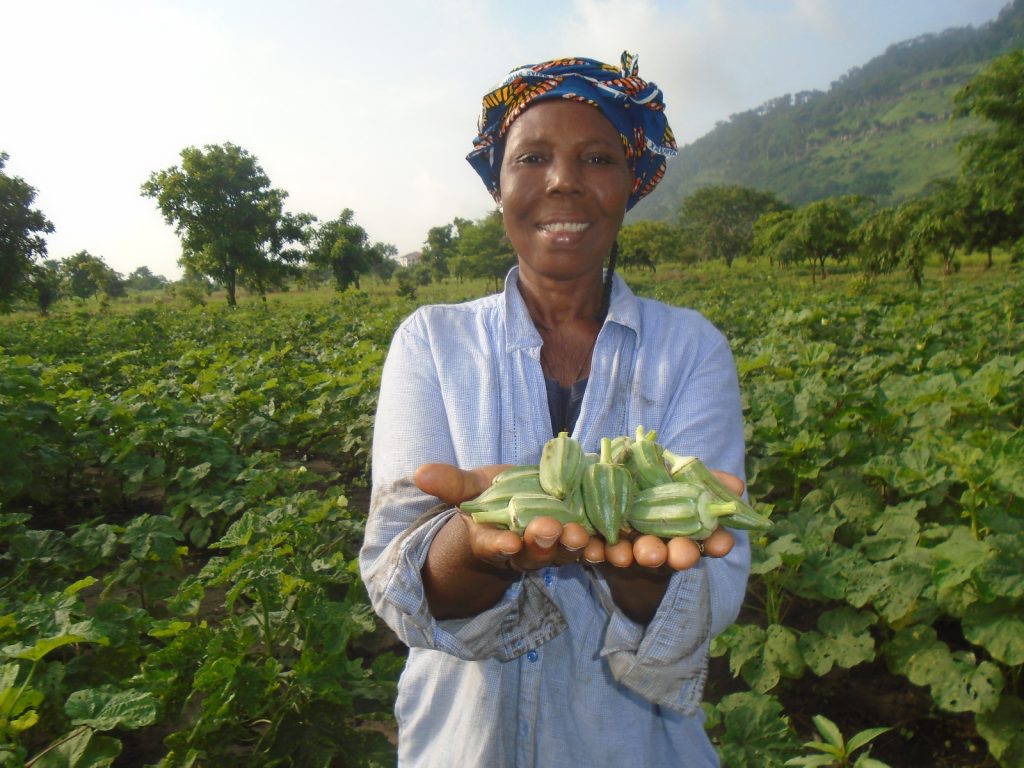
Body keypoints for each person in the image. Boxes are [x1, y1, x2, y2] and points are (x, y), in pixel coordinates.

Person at [359, 52, 750, 768]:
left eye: (597, 157)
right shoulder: (431, 342)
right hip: (463, 745)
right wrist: (477, 542)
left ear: (630, 185)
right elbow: (401, 585)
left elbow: (712, 595)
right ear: (499, 185)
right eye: (532, 156)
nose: (563, 180)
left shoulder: (690, 348)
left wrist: (634, 555)